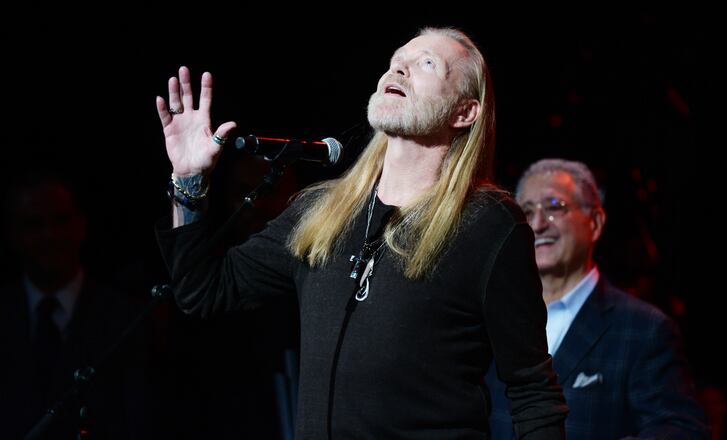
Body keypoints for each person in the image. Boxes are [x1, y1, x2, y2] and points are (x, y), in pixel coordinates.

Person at [155, 27, 567, 439]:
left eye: (426, 63)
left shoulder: (487, 224)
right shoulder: (322, 212)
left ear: (464, 112)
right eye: (396, 59)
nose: (399, 67)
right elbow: (204, 290)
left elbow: (532, 392)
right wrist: (189, 183)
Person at [486, 158, 709, 439]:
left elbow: (681, 431)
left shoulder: (645, 329)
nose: (538, 223)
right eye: (527, 212)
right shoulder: (497, 321)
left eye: (555, 206)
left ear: (595, 222)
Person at [0, 171, 152, 439]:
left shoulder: (126, 318)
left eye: (60, 220)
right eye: (34, 224)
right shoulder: (5, 314)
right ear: (13, 234)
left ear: (81, 225)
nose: (50, 235)